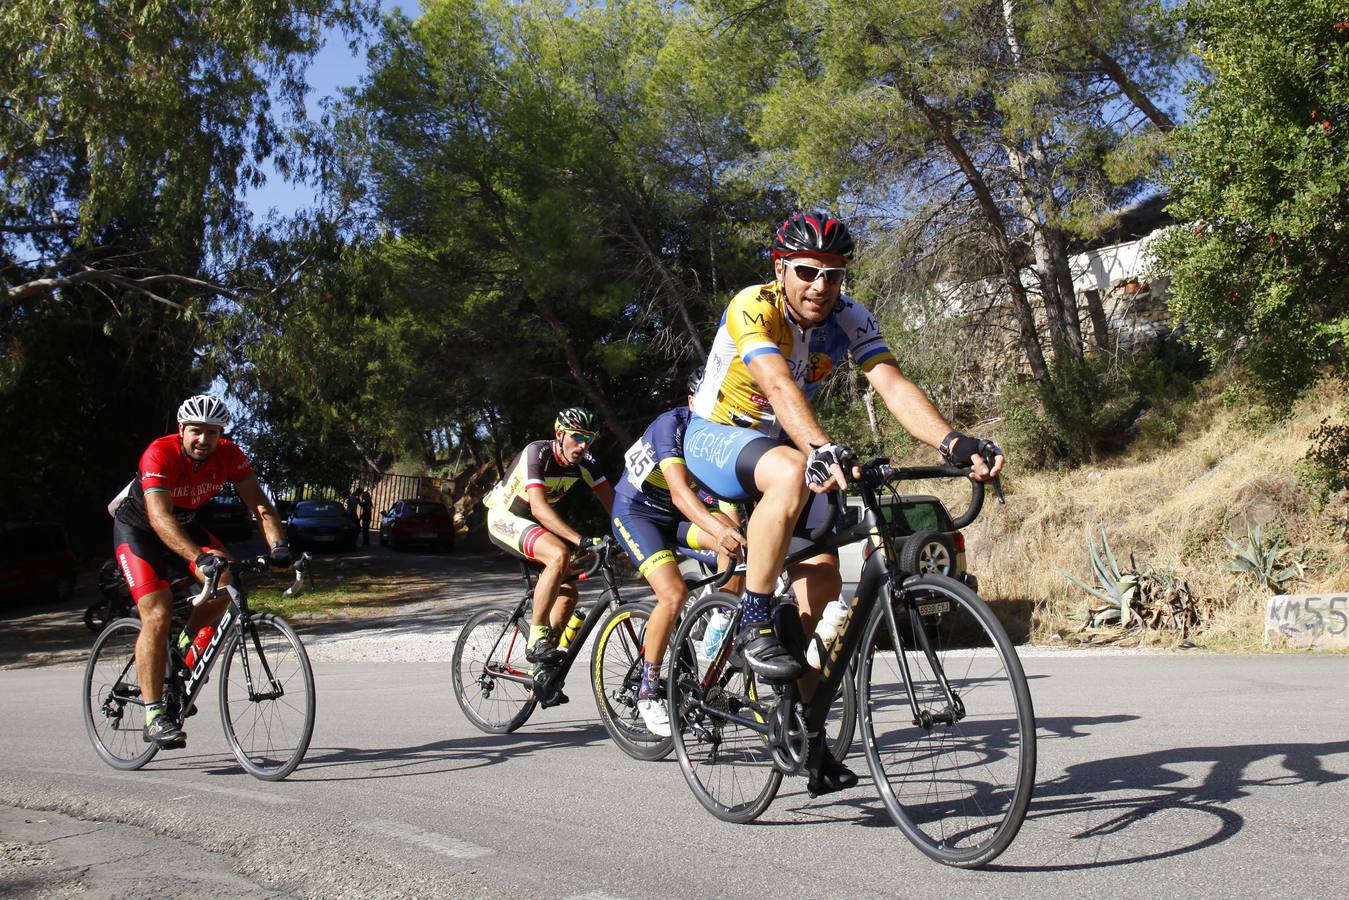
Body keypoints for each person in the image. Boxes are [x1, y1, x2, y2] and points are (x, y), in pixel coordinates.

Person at [682, 211, 1004, 793]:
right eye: (807, 272)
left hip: (786, 444)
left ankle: (805, 736)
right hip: (718, 435)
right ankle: (753, 621)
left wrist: (952, 439)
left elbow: (893, 384)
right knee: (789, 471)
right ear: (782, 269)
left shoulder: (849, 317)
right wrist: (823, 448)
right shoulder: (753, 306)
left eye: (834, 275)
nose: (820, 287)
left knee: (822, 588)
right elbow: (778, 386)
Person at [110, 395, 292, 749]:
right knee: (158, 611)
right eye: (196, 431)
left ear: (221, 434)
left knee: (227, 581)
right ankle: (154, 715)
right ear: (181, 430)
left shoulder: (229, 455)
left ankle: (182, 651)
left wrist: (278, 547)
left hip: (186, 524)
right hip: (140, 530)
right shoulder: (158, 454)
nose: (203, 440)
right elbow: (159, 519)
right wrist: (198, 558)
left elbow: (259, 504)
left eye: (212, 432)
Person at [611, 403, 746, 736]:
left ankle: (720, 623)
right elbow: (680, 492)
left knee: (738, 548)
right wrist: (718, 531)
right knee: (673, 594)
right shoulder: (670, 425)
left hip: (675, 519)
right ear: (692, 399)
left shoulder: (723, 430)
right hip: (637, 513)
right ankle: (648, 688)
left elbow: (729, 503)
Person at [482, 406, 615, 702]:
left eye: (589, 439)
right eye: (577, 437)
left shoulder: (586, 462)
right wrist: (580, 539)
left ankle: (542, 673)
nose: (583, 446)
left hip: (533, 525)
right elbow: (540, 508)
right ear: (559, 434)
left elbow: (614, 505)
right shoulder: (538, 453)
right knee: (559, 554)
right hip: (504, 518)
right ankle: (536, 638)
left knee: (568, 596)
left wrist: (629, 534)